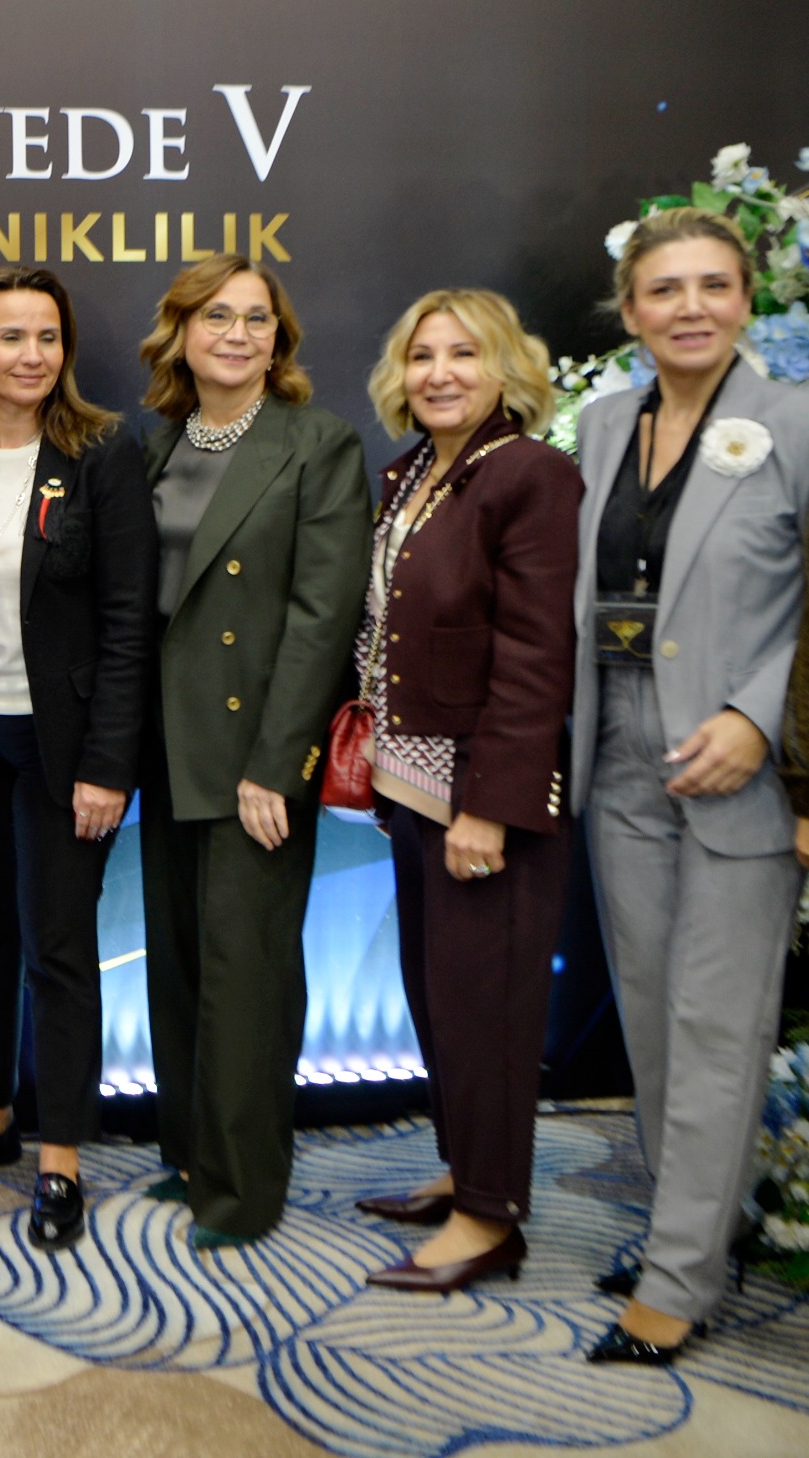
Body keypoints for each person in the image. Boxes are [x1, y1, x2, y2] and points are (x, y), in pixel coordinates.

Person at [568, 209, 809, 1365]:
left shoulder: (793, 420)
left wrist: (759, 719)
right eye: (664, 289)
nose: (690, 307)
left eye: (713, 284)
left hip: (735, 762)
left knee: (718, 1023)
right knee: (655, 1017)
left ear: (747, 298)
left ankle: (677, 1280)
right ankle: (693, 1225)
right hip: (619, 749)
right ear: (630, 311)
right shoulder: (604, 423)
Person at [345, 290, 580, 1293]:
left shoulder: (530, 474)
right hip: (412, 786)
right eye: (422, 355)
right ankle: (464, 1168)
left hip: (484, 799)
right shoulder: (414, 472)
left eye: (464, 354)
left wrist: (487, 805)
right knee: (440, 996)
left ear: (506, 369)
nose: (439, 372)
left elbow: (534, 655)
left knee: (487, 1009)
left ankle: (490, 1218)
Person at [137, 252, 370, 1247]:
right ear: (180, 333)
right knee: (181, 964)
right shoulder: (158, 443)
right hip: (164, 743)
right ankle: (193, 1154)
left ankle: (245, 1189)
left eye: (256, 319)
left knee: (247, 976)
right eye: (217, 316)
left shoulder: (317, 443)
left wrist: (278, 764)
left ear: (279, 340)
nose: (237, 334)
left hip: (252, 753)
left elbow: (324, 618)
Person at [0, 266, 151, 1253]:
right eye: (9, 336)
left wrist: (109, 764)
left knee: (59, 947)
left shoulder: (100, 452)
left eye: (47, 337)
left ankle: (60, 1154)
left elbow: (128, 620)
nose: (30, 355)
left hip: (63, 746)